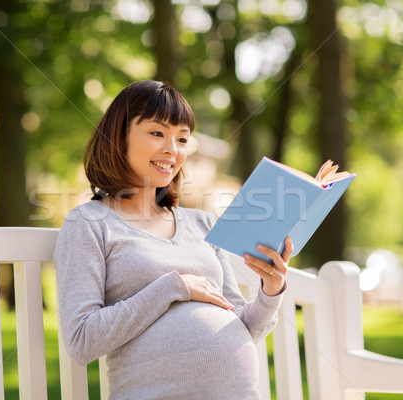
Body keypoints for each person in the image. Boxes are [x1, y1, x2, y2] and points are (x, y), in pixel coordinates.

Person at [54, 80, 293, 400]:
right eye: (157, 133)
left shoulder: (202, 224)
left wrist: (271, 290)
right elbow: (82, 341)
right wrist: (173, 287)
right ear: (118, 137)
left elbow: (244, 329)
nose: (172, 149)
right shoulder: (89, 223)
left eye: (182, 139)